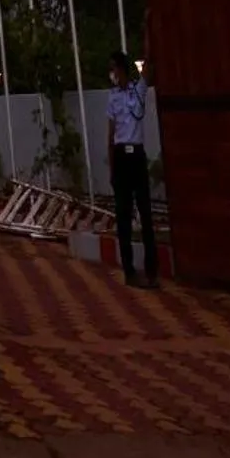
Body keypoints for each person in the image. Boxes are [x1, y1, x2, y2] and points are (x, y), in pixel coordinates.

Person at [106, 51, 158, 289]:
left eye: (114, 68)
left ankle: (152, 271)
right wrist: (112, 167)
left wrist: (147, 49)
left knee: (145, 213)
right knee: (123, 215)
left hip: (136, 154)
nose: (112, 74)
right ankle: (129, 271)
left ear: (122, 69)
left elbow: (148, 70)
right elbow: (111, 133)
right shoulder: (113, 97)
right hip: (121, 156)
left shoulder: (138, 89)